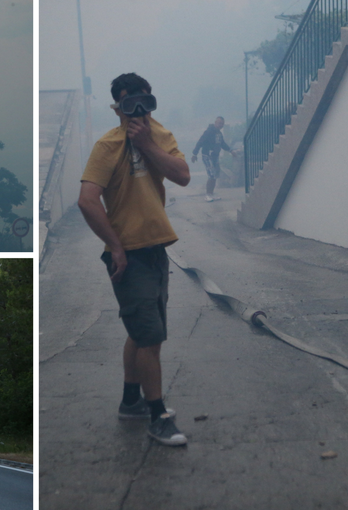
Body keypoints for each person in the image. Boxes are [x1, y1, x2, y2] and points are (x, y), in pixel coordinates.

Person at [78, 72, 190, 446]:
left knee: (142, 334)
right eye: (130, 105)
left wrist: (147, 144)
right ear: (117, 108)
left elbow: (182, 176)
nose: (139, 111)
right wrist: (115, 246)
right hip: (128, 256)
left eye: (145, 102)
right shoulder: (107, 146)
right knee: (149, 338)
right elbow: (87, 200)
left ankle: (131, 401)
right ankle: (157, 416)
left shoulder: (160, 136)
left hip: (156, 249)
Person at [191, 116, 236, 202]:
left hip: (215, 157)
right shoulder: (208, 132)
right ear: (215, 123)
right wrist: (194, 154)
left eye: (222, 124)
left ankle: (211, 194)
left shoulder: (219, 134)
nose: (221, 125)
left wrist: (231, 150)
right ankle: (207, 195)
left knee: (215, 175)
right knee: (211, 175)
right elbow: (200, 142)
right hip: (207, 156)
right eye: (219, 123)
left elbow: (222, 144)